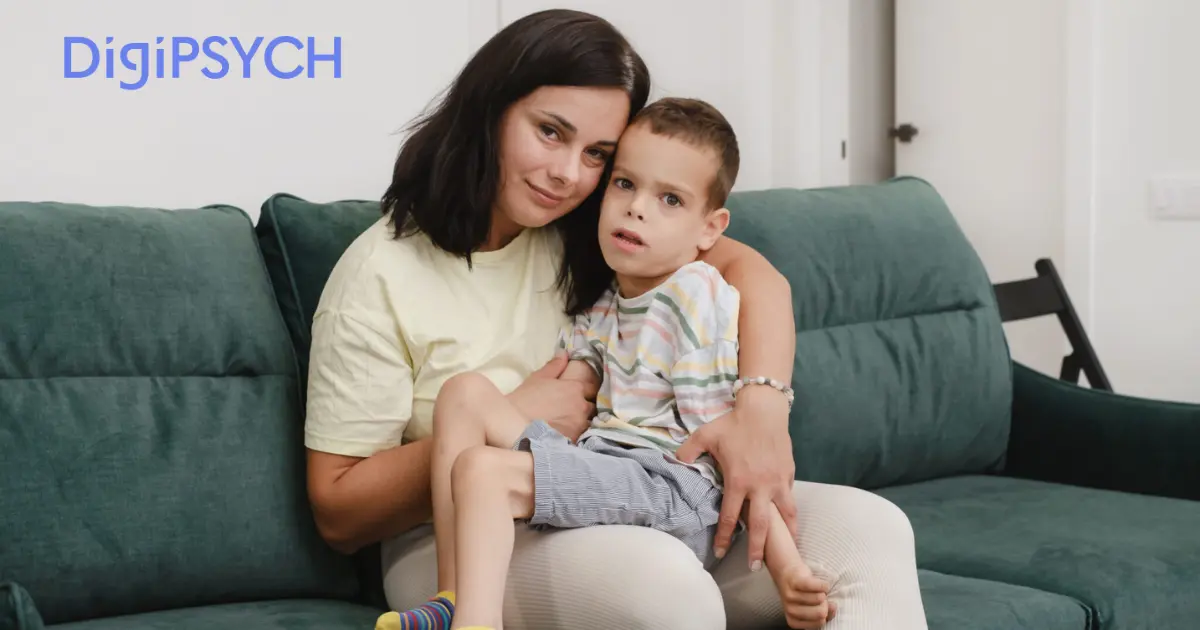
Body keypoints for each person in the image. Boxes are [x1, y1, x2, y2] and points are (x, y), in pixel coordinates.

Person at [304, 8, 929, 630]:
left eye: (598, 153)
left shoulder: (602, 224)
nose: (568, 174)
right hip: (455, 537)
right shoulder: (379, 275)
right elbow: (337, 512)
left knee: (870, 531)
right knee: (658, 581)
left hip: (636, 482)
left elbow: (755, 277)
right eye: (550, 131)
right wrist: (515, 411)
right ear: (490, 108)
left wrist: (761, 413)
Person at [376, 97, 835, 630]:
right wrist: (540, 425)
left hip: (670, 484)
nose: (637, 207)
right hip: (606, 460)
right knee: (464, 393)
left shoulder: (693, 297)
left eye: (669, 199)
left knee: (484, 471)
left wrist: (787, 566)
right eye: (624, 184)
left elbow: (727, 448)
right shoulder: (606, 302)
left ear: (710, 229)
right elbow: (574, 402)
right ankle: (452, 598)